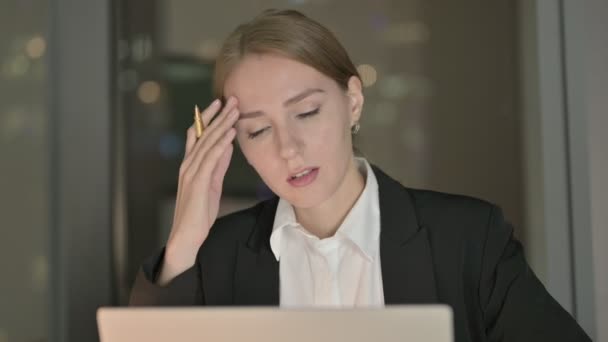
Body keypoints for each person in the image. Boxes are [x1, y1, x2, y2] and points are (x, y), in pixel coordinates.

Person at [129, 9, 590, 342]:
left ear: (353, 100)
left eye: (307, 112)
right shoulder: (215, 257)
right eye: (258, 129)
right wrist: (185, 240)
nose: (288, 148)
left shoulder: (468, 238)